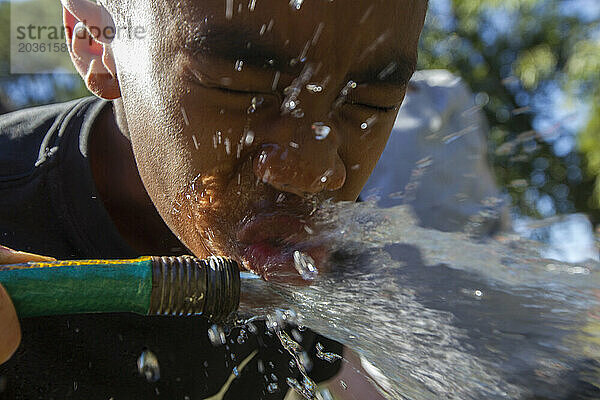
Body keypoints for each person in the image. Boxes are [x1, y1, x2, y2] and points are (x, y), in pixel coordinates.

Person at [0, 0, 427, 398]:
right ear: (98, 40)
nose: (314, 172)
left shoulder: (326, 255)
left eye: (372, 103)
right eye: (239, 86)